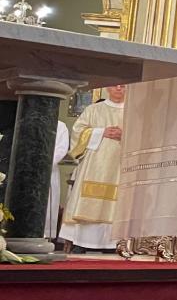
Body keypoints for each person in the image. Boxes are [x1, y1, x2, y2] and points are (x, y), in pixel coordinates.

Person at [64, 84, 126, 252]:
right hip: (94, 166)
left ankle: (113, 244)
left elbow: (144, 136)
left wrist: (126, 135)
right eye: (115, 85)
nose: (119, 88)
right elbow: (78, 132)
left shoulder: (134, 112)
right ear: (107, 88)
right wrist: (100, 132)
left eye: (123, 85)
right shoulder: (93, 109)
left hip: (121, 165)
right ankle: (81, 241)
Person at [44, 118, 70, 240]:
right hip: (24, 169)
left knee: (47, 206)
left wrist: (43, 162)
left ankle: (46, 238)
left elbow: (61, 149)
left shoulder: (60, 126)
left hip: (48, 170)